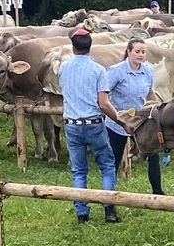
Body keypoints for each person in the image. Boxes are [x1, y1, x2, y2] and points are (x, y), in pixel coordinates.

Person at [60, 28, 124, 223]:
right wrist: (120, 120)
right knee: (107, 165)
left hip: (72, 124)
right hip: (94, 123)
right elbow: (103, 103)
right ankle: (109, 209)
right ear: (90, 46)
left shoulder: (63, 68)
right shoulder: (98, 70)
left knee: (79, 169)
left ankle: (82, 212)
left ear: (73, 47)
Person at [106, 38, 164, 197]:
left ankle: (158, 193)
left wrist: (155, 109)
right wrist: (115, 116)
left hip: (140, 121)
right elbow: (104, 93)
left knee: (153, 156)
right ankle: (109, 197)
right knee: (114, 159)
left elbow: (150, 93)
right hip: (118, 122)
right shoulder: (116, 70)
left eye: (143, 52)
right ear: (128, 52)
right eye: (137, 51)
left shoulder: (148, 70)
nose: (141, 55)